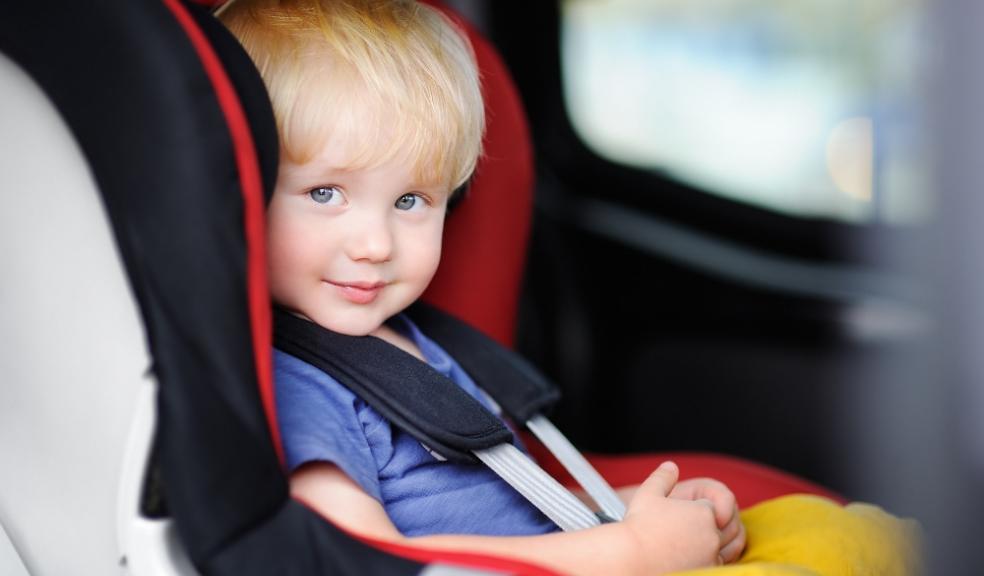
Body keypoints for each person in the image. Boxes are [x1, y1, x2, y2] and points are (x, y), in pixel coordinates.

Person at [218, 1, 918, 575]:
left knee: (822, 527)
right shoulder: (300, 386)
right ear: (242, 192)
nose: (375, 243)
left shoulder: (408, 339)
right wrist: (630, 552)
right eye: (326, 192)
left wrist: (630, 508)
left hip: (582, 548)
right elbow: (359, 561)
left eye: (410, 202)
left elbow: (501, 499)